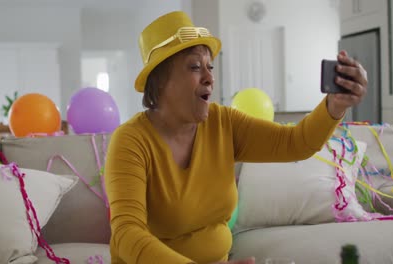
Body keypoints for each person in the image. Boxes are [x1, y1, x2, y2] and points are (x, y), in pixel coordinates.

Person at [104, 11, 367, 264]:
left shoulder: (224, 123)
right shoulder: (130, 141)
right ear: (160, 81)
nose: (209, 77)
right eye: (195, 67)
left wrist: (335, 105)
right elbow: (127, 233)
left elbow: (295, 143)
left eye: (210, 66)